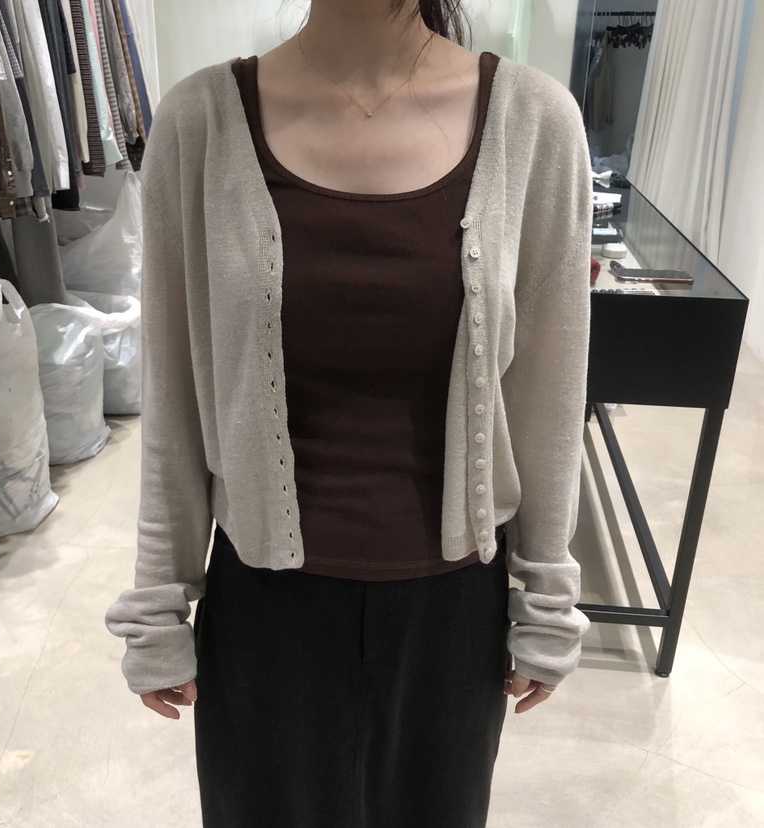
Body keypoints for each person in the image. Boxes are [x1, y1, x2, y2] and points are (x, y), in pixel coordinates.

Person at [106, 0, 593, 825]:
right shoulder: (200, 124)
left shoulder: (536, 123)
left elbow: (549, 392)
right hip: (265, 615)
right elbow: (174, 398)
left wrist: (545, 593)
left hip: (450, 620)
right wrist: (158, 598)